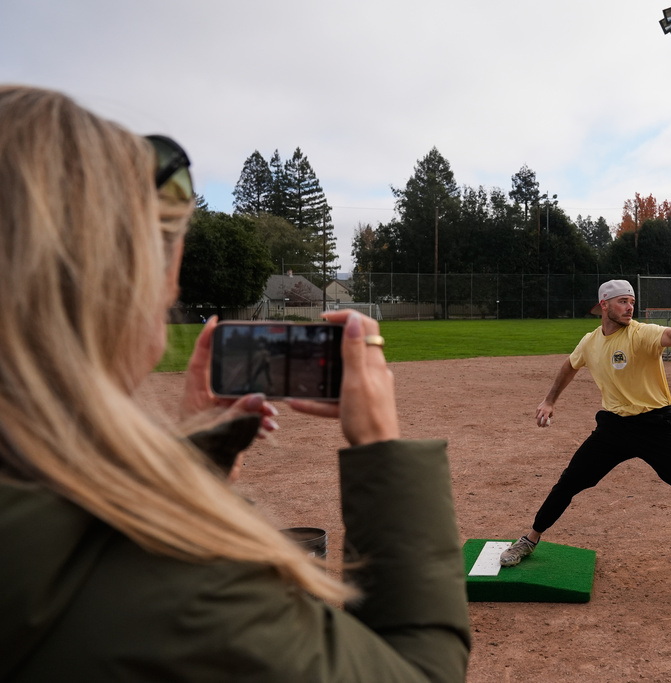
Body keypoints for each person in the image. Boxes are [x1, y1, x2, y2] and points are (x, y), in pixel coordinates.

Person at [0, 86, 470, 680]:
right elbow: (422, 669)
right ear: (125, 287)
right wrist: (379, 443)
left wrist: (195, 466)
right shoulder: (193, 594)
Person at [499, 279, 671, 596]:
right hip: (613, 429)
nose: (630, 307)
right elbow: (569, 367)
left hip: (657, 427)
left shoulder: (641, 334)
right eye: (622, 301)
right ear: (604, 305)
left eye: (632, 301)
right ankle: (529, 540)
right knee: (569, 482)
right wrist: (549, 400)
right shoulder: (589, 342)